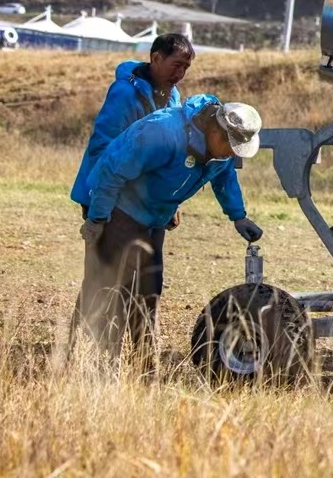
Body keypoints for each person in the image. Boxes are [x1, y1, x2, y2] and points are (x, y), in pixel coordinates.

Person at [76, 96, 264, 375]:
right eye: (231, 146)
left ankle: (141, 365)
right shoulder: (161, 133)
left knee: (148, 291)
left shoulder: (220, 153)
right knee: (105, 289)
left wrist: (238, 216)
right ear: (215, 130)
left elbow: (224, 178)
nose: (232, 155)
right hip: (119, 210)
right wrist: (98, 219)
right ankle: (87, 360)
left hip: (154, 219)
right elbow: (110, 172)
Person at [70, 33, 194, 220]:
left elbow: (169, 151)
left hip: (144, 199)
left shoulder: (172, 96)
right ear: (156, 58)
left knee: (151, 250)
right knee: (108, 248)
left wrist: (170, 202)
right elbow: (102, 146)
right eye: (176, 65)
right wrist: (101, 199)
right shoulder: (125, 93)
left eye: (185, 67)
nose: (180, 75)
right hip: (109, 192)